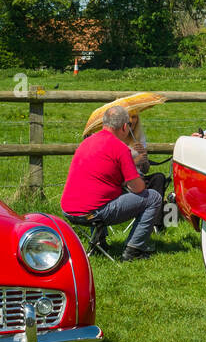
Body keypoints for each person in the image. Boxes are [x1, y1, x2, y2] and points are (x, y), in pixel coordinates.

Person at [62, 105, 163, 260]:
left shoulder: (86, 143)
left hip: (68, 211)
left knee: (98, 194)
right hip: (93, 213)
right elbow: (137, 187)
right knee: (153, 197)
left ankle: (99, 244)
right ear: (124, 126)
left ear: (104, 123)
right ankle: (133, 250)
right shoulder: (120, 148)